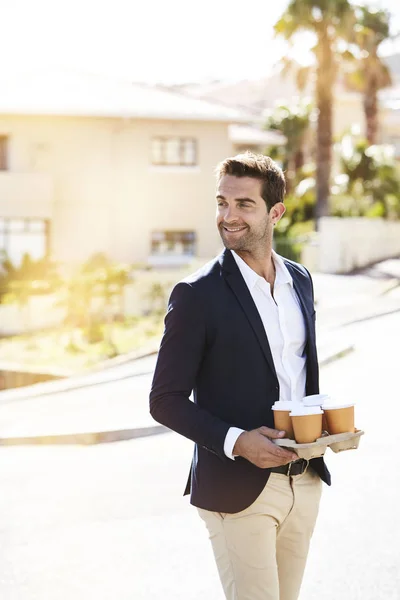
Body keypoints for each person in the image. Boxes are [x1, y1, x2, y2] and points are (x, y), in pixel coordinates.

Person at [149, 152, 331, 600]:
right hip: (238, 488)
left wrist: (324, 427)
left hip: (304, 477)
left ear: (275, 212)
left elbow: (296, 374)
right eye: (222, 203)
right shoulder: (197, 295)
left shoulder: (300, 280)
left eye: (243, 205)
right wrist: (238, 441)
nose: (228, 217)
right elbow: (165, 399)